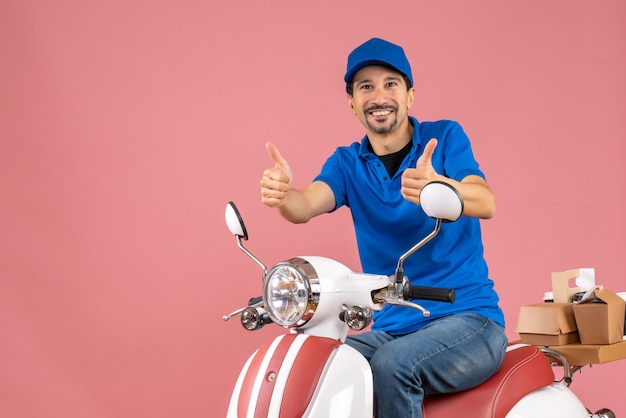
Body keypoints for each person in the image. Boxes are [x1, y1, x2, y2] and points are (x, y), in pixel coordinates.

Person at [260, 37, 507, 418]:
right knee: (320, 364)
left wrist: (440, 187)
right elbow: (305, 205)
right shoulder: (347, 164)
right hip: (393, 325)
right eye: (366, 87)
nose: (379, 96)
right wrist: (282, 194)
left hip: (469, 321)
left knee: (394, 364)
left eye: (391, 83)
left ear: (410, 95)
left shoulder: (443, 139)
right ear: (352, 102)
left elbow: (485, 201)